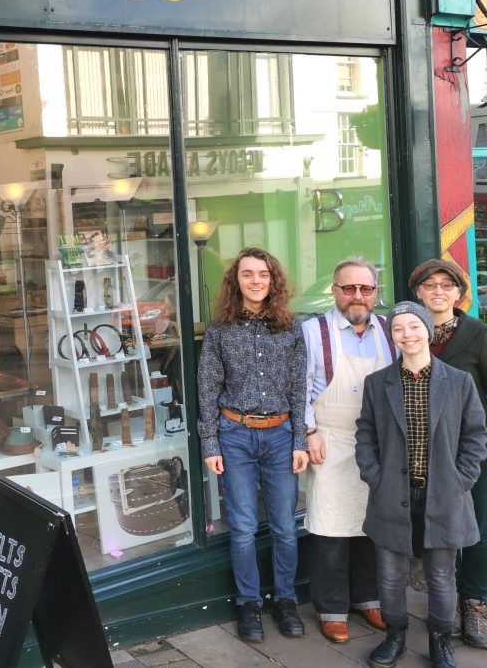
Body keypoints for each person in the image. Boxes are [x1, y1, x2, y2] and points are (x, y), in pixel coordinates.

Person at [355, 301, 487, 668]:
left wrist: (461, 479)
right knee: (391, 573)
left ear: (427, 330)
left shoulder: (459, 382)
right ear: (392, 336)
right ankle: (395, 635)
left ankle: (440, 640)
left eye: (414, 326)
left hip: (444, 492)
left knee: (442, 575)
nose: (407, 335)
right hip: (392, 493)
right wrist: (374, 476)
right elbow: (365, 434)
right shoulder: (377, 384)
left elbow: (475, 435)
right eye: (399, 329)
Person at [197, 247, 309, 643]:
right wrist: (210, 443)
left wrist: (299, 440)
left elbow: (299, 388)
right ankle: (248, 604)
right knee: (242, 528)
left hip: (281, 436)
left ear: (273, 280)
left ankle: (285, 599)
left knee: (284, 527)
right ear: (236, 281)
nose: (256, 280)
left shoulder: (291, 328)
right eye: (248, 274)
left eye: (263, 274)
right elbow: (208, 388)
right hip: (235, 434)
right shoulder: (219, 330)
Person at [302, 258, 394, 643]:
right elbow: (299, 388)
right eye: (348, 288)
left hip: (378, 441)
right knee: (330, 528)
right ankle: (332, 608)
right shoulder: (313, 331)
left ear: (375, 292)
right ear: (335, 291)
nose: (358, 296)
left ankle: (368, 599)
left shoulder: (390, 330)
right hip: (331, 438)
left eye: (366, 288)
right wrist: (308, 431)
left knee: (372, 523)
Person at [410, 258, 487, 649]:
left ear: (459, 293)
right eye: (429, 285)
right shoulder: (408, 333)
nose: (438, 291)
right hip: (422, 452)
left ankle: (475, 603)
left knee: (476, 530)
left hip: (470, 453)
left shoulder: (477, 334)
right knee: (437, 530)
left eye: (446, 285)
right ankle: (446, 603)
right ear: (418, 292)